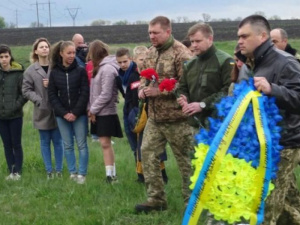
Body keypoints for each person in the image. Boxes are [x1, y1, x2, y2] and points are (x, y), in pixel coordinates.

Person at [236, 15, 300, 225]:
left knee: (265, 207)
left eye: (245, 36)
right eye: (238, 37)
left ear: (263, 36)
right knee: (286, 204)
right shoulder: (247, 66)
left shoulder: (286, 62)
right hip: (255, 143)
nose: (240, 41)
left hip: (282, 144)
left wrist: (274, 90)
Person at [135, 16, 194, 213]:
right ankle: (156, 199)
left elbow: (187, 85)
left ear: (168, 32)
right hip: (155, 118)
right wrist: (142, 90)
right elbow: (143, 78)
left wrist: (161, 91)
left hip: (178, 119)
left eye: (156, 33)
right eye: (149, 33)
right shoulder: (150, 53)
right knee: (148, 154)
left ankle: (191, 204)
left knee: (186, 162)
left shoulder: (181, 53)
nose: (152, 36)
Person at [119, 46, 169, 183]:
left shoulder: (152, 76)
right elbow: (128, 97)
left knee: (154, 147)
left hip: (152, 114)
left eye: (146, 58)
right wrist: (131, 114)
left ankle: (162, 174)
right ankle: (141, 175)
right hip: (138, 114)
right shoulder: (133, 77)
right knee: (138, 146)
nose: (143, 61)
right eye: (141, 59)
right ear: (134, 60)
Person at [177, 23, 233, 131]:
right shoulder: (190, 64)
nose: (194, 45)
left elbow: (228, 91)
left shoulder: (225, 61)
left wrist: (203, 105)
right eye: (192, 41)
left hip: (218, 123)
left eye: (198, 41)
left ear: (210, 39)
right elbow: (182, 87)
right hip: (195, 124)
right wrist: (183, 98)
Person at [48, 40, 89, 184]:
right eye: (69, 53)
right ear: (61, 53)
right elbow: (52, 95)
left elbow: (85, 93)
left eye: (74, 53)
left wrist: (76, 112)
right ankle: (73, 172)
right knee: (68, 145)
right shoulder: (54, 73)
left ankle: (82, 174)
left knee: (82, 144)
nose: (72, 56)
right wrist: (64, 113)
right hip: (62, 115)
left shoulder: (80, 71)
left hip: (79, 114)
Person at [22, 38, 64, 179]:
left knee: (58, 141)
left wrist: (52, 84)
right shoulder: (30, 71)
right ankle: (49, 171)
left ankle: (59, 170)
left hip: (57, 109)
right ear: (36, 51)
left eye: (47, 46)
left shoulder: (57, 67)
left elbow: (64, 84)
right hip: (41, 111)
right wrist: (38, 100)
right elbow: (26, 90)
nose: (45, 49)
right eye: (41, 47)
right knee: (45, 142)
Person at [87, 40, 123, 183]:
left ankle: (111, 175)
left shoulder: (107, 69)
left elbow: (106, 94)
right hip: (98, 111)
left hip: (106, 112)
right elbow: (94, 92)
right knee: (104, 143)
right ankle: (110, 174)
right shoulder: (100, 67)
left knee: (105, 143)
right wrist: (91, 109)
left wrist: (93, 110)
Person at [0, 44, 27, 180]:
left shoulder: (18, 73)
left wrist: (16, 106)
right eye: (1, 57)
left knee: (16, 143)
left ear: (10, 57)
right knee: (6, 144)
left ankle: (18, 171)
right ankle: (11, 170)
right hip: (1, 116)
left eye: (6, 56)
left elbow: (24, 94)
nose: (4, 59)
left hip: (15, 115)